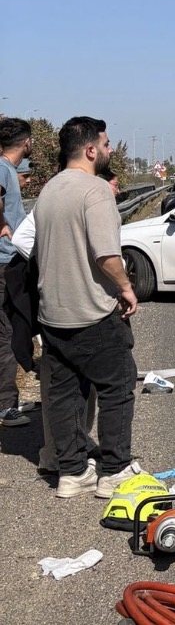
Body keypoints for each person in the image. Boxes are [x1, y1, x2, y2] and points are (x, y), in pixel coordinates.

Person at [35, 116, 142, 498]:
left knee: (65, 397)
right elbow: (106, 254)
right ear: (91, 149)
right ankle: (114, 470)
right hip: (93, 313)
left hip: (53, 316)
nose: (111, 150)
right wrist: (126, 288)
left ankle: (72, 471)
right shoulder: (94, 191)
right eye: (108, 144)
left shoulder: (48, 191)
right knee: (116, 387)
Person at [13, 167, 108, 473]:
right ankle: (55, 454)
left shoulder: (77, 200)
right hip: (55, 302)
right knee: (59, 384)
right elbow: (22, 239)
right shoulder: (56, 198)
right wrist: (50, 266)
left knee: (82, 382)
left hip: (71, 300)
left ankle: (77, 443)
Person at [0, 118, 34, 426]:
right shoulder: (2, 169)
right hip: (4, 263)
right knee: (8, 334)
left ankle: (9, 401)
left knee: (12, 329)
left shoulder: (8, 171)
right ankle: (5, 406)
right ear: (25, 143)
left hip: (9, 260)